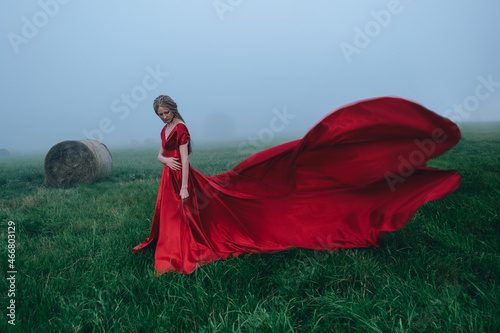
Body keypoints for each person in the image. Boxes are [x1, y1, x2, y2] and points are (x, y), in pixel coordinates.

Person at [133, 95, 461, 275]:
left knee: (192, 206)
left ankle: (176, 251)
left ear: (174, 109)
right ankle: (169, 244)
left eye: (165, 112)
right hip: (169, 174)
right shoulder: (166, 130)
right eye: (159, 114)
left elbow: (187, 157)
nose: (163, 117)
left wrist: (187, 184)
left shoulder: (183, 127)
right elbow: (163, 153)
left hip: (182, 176)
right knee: (174, 215)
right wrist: (165, 162)